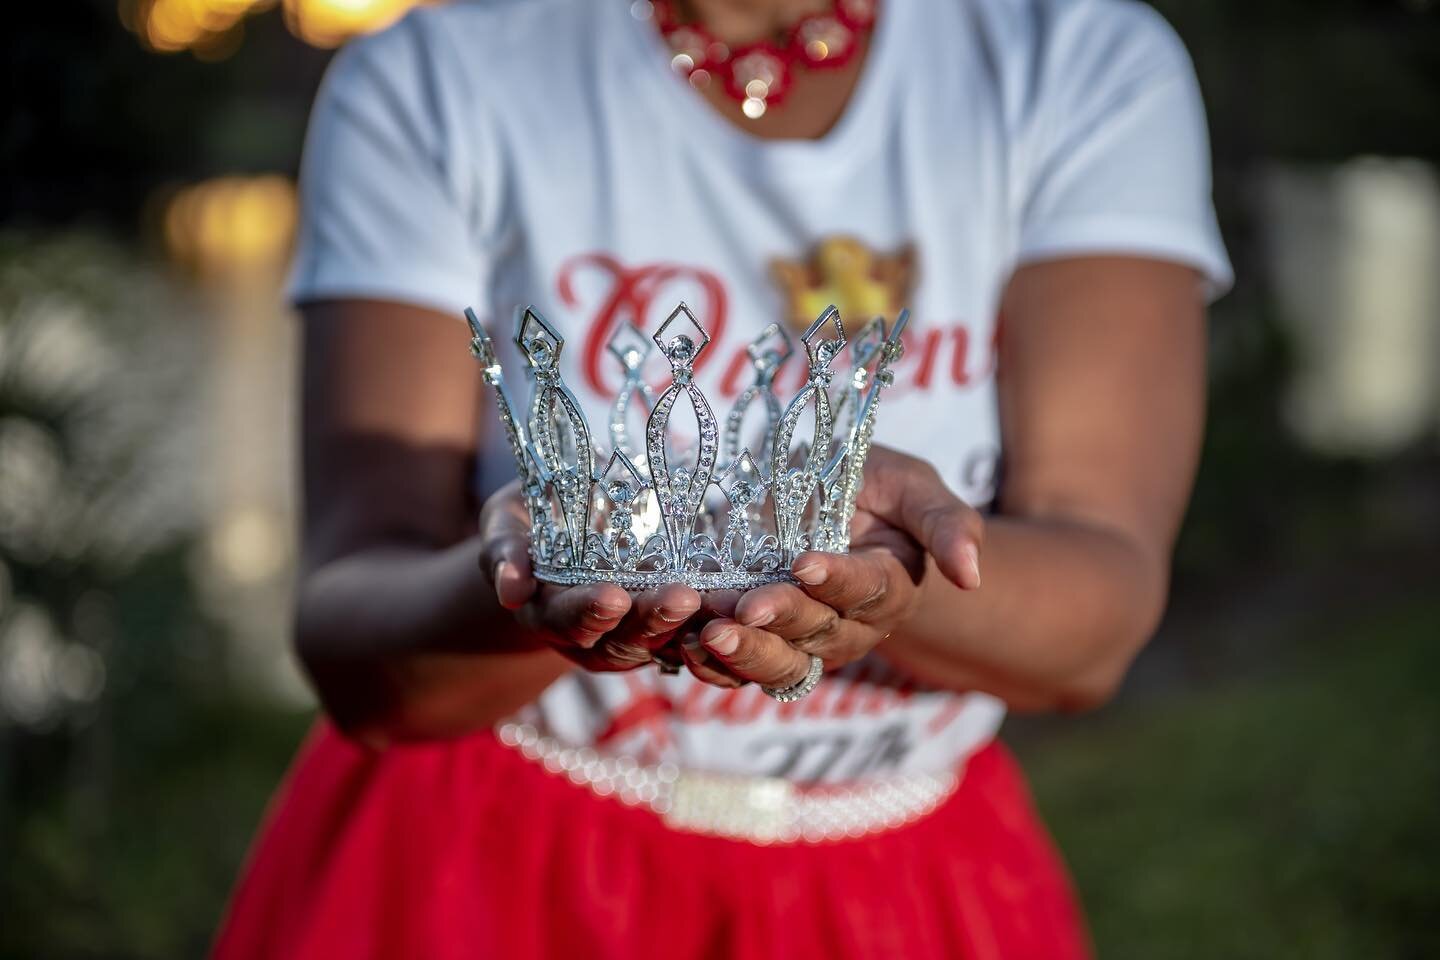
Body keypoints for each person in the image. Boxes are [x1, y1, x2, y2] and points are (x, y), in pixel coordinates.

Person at [212, 0, 1231, 956]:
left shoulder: (1068, 60)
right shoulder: (440, 77)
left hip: (900, 880)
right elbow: (354, 634)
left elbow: (1091, 626)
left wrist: (889, 580)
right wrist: (522, 581)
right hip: (473, 874)